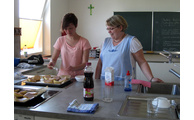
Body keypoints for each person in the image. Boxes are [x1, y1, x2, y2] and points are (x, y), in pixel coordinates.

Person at [95, 15, 163, 83]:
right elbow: (100, 64)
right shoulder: (105, 42)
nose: (109, 31)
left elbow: (142, 62)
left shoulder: (132, 41)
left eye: (111, 29)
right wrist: (96, 81)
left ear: (120, 27)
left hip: (125, 85)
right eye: (108, 29)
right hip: (105, 83)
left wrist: (151, 78)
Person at [48, 13, 91, 77]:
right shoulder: (60, 40)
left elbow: (85, 63)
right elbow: (54, 58)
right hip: (62, 77)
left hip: (78, 77)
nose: (68, 31)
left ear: (76, 25)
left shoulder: (84, 42)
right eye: (65, 29)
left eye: (70, 28)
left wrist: (73, 68)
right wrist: (51, 63)